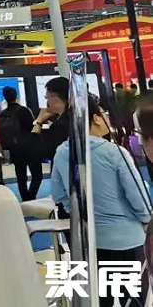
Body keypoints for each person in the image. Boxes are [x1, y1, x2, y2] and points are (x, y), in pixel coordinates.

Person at [53, 95, 150, 307]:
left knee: (99, 299)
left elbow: (59, 194)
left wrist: (79, 214)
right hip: (126, 241)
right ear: (96, 118)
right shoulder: (115, 153)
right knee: (133, 300)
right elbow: (137, 195)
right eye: (104, 113)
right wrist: (146, 219)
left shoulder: (61, 152)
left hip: (89, 242)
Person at [0, 87, 42, 200]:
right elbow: (32, 128)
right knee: (37, 175)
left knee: (21, 177)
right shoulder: (24, 111)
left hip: (14, 149)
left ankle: (25, 198)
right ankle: (31, 196)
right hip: (29, 148)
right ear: (16, 97)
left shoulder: (3, 114)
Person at [32, 77, 70, 163]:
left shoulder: (59, 126)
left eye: (47, 98)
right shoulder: (76, 117)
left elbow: (38, 150)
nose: (47, 102)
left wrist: (39, 121)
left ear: (55, 98)